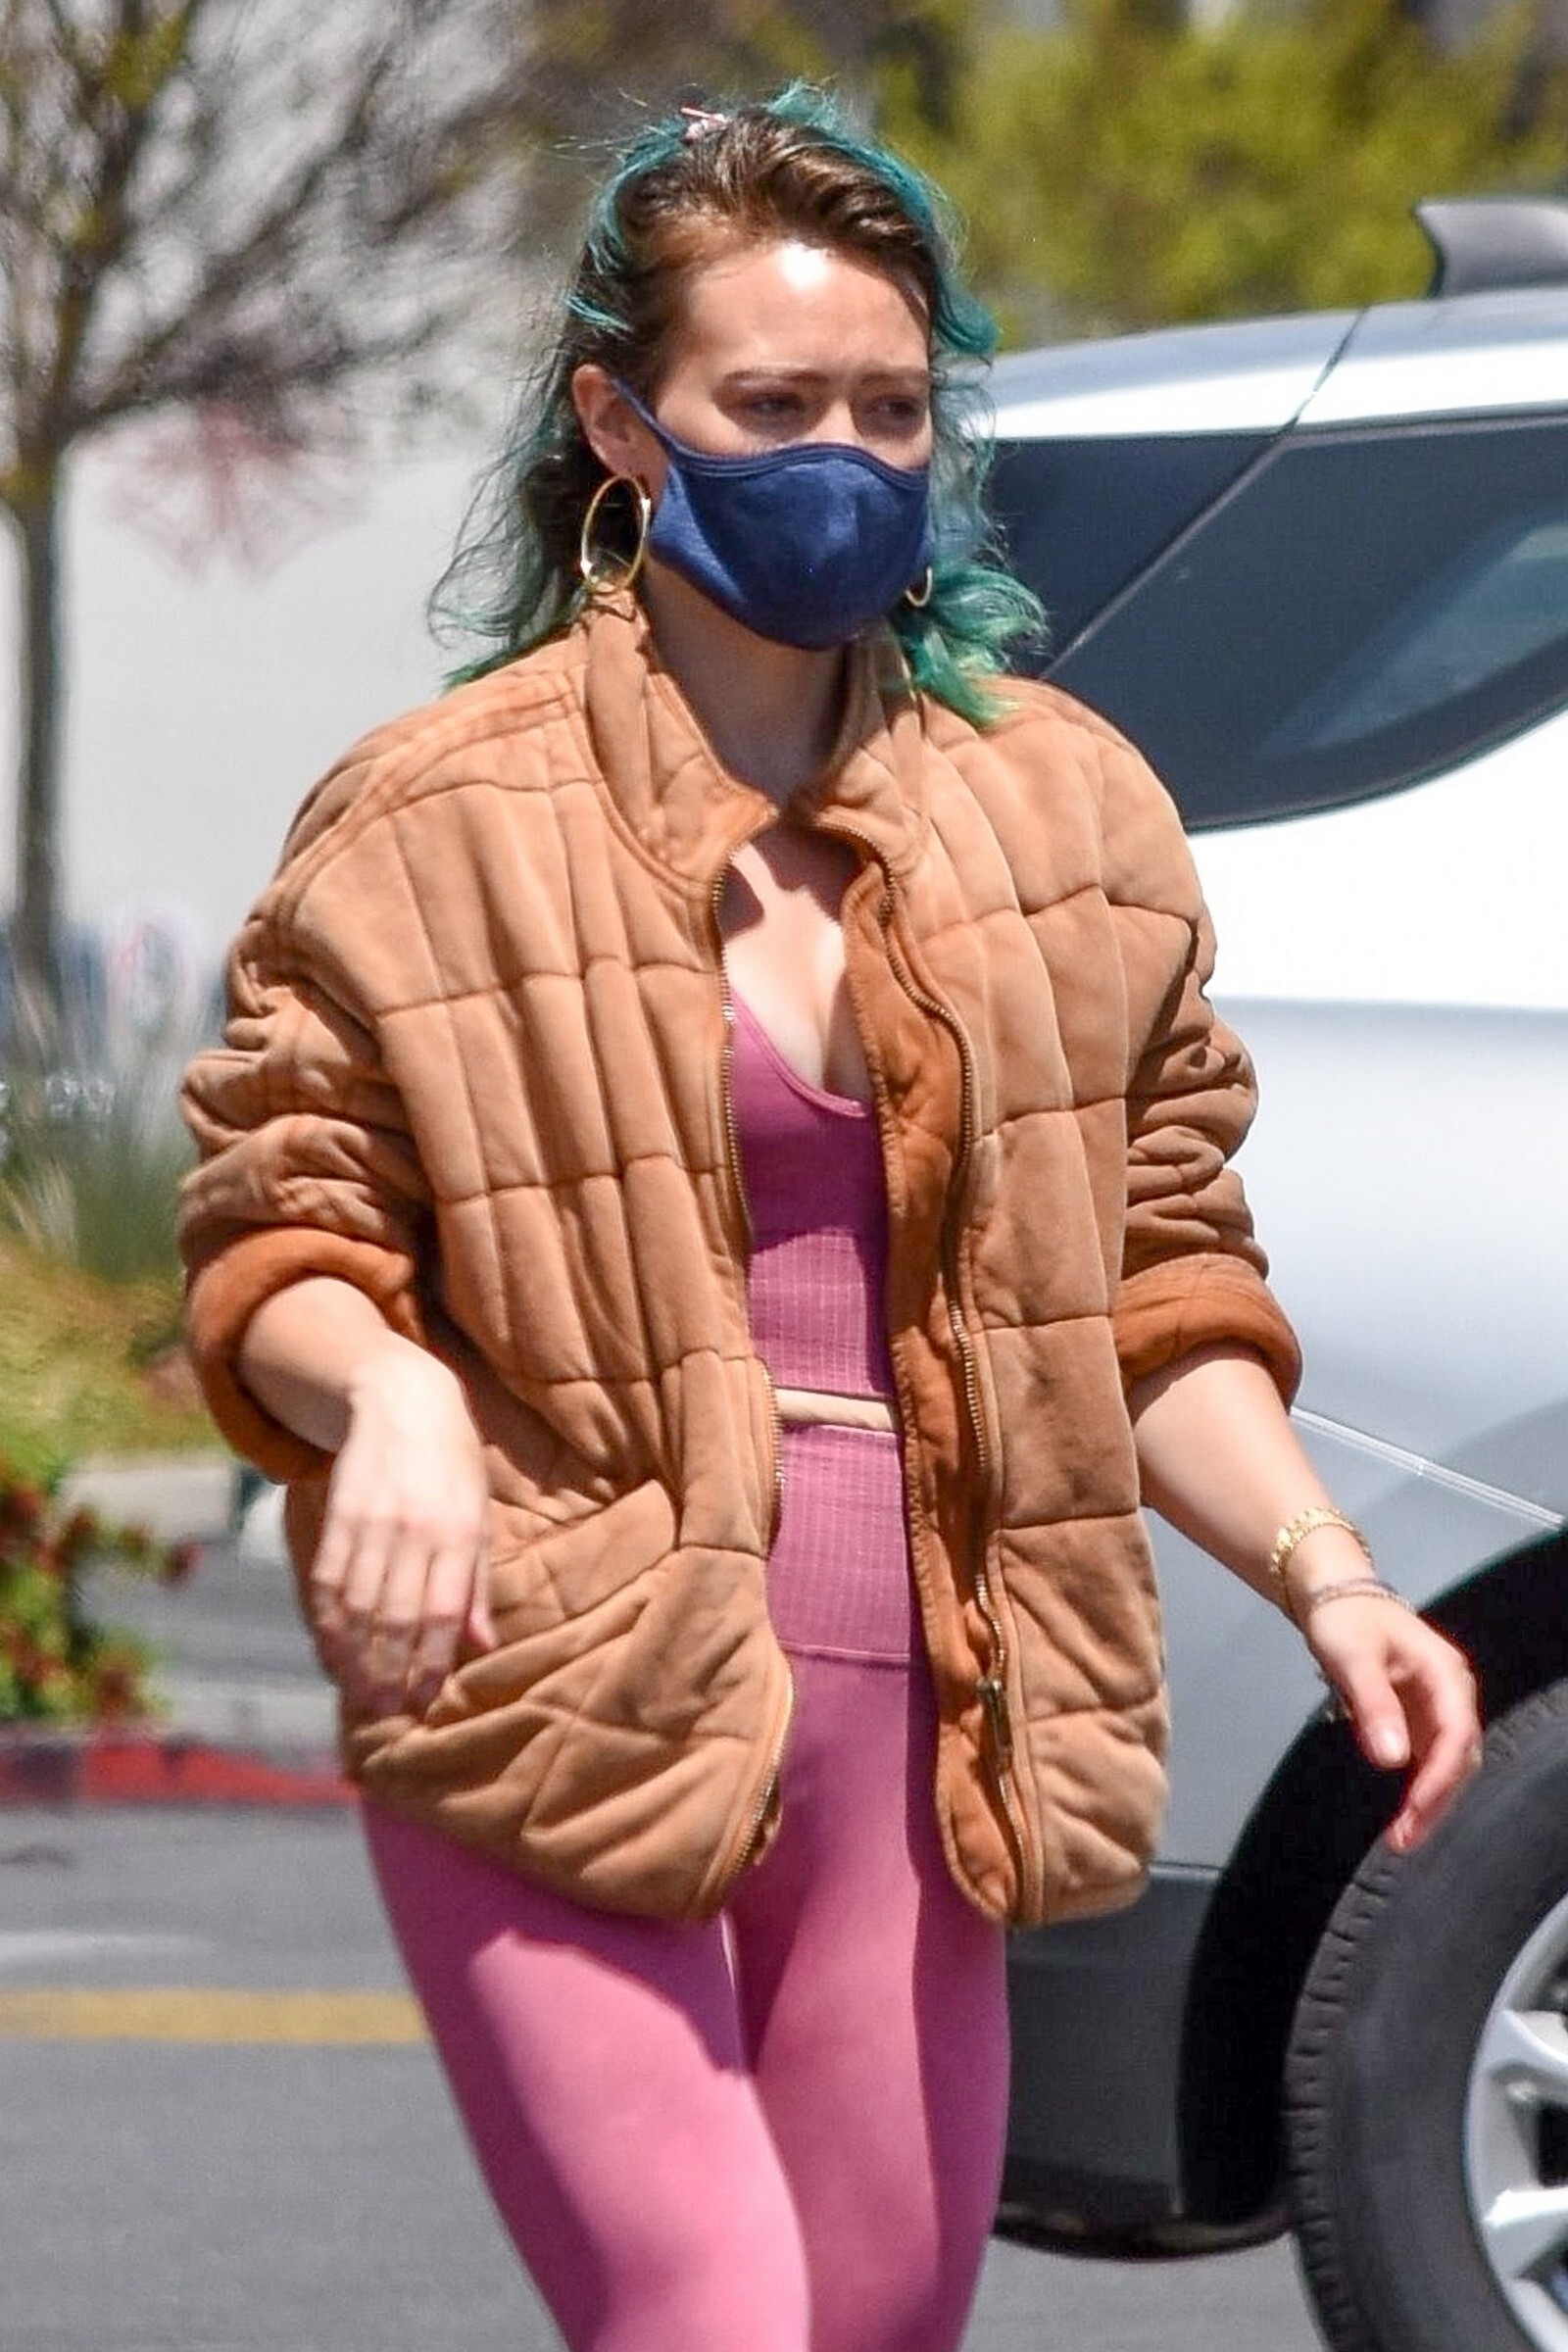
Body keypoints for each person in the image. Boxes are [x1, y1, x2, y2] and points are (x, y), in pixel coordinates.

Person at [178, 87, 1481, 2352]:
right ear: (621, 424)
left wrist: (1327, 1573)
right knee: (706, 2313)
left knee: (867, 2322)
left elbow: (1151, 1285)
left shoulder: (1057, 821)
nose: (842, 459)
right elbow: (279, 1223)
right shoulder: (434, 824)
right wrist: (382, 1391)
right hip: (552, 1663)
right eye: (772, 407)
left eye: (888, 408)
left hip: (931, 1704)